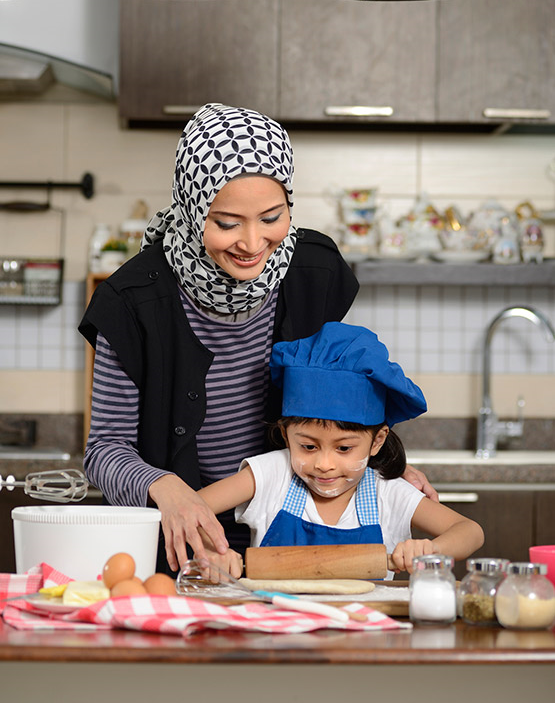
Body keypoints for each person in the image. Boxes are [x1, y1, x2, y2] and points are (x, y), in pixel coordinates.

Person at [79, 102, 436, 575]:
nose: (252, 244)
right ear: (191, 209)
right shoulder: (131, 302)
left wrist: (381, 471)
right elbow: (105, 449)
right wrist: (166, 489)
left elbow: (343, 389)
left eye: (272, 217)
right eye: (227, 223)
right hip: (184, 546)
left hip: (290, 546)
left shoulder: (314, 273)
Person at [197, 322, 484, 578]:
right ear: (286, 435)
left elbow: (471, 531)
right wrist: (213, 549)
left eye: (344, 448)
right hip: (277, 629)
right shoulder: (273, 475)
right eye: (308, 446)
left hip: (367, 632)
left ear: (378, 440)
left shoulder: (388, 493)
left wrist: (428, 550)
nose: (324, 463)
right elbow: (192, 509)